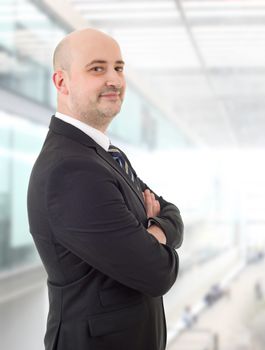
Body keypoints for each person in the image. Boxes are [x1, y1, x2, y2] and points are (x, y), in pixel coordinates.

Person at [27, 28, 184, 350]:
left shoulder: (104, 155)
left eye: (119, 67)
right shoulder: (71, 170)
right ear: (62, 82)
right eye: (97, 68)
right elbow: (157, 273)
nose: (114, 79)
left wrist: (152, 232)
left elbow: (172, 214)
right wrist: (151, 234)